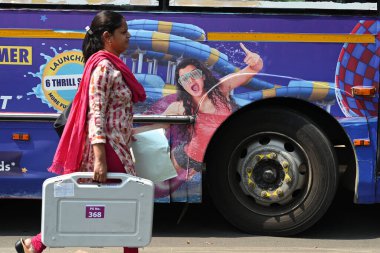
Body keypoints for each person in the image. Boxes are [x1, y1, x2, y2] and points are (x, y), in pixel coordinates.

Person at [15, 10, 146, 253]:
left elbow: (112, 113)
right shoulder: (104, 68)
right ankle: (35, 244)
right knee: (131, 204)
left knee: (105, 203)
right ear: (108, 36)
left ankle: (34, 244)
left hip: (115, 145)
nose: (129, 36)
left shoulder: (112, 65)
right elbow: (95, 112)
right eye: (123, 32)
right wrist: (99, 159)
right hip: (109, 149)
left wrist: (127, 132)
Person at [135, 44, 263, 174]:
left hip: (223, 157)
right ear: (182, 85)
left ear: (203, 76)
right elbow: (157, 127)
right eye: (184, 79)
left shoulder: (221, 89)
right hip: (190, 156)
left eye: (194, 75)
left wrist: (256, 61)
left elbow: (254, 69)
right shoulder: (178, 107)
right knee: (157, 176)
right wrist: (130, 132)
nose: (190, 80)